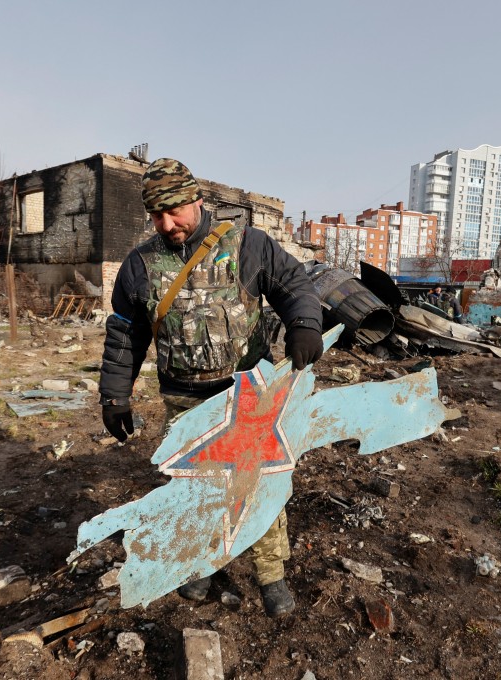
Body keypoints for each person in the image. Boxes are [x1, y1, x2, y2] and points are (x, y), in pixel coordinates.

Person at [98, 158, 324, 618]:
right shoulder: (140, 265)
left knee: (258, 484)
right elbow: (125, 333)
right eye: (157, 216)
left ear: (197, 200)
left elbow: (294, 283)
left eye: (175, 211)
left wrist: (304, 324)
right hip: (184, 400)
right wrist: (115, 396)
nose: (168, 224)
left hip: (248, 397)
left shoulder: (248, 244)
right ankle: (200, 561)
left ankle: (271, 576)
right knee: (196, 487)